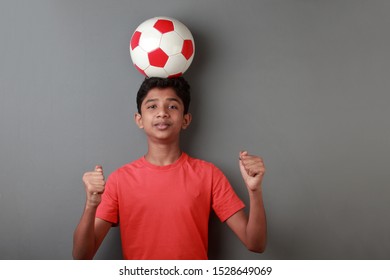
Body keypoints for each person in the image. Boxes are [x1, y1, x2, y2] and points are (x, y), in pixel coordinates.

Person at [73, 77, 267, 260]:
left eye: (172, 106)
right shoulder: (119, 180)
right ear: (139, 119)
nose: (162, 112)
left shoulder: (209, 175)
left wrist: (254, 190)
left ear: (186, 120)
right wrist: (91, 204)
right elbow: (82, 255)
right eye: (152, 106)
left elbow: (255, 243)